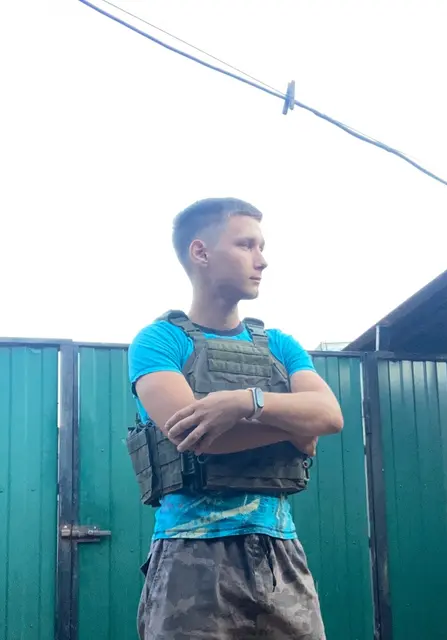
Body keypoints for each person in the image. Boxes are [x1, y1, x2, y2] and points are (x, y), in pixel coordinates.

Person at [128, 197, 344, 639]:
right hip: (190, 556)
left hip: (280, 555)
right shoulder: (158, 341)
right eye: (246, 245)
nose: (262, 260)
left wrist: (245, 403)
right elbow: (197, 435)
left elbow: (329, 415)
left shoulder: (280, 345)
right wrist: (294, 427)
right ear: (201, 252)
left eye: (261, 246)